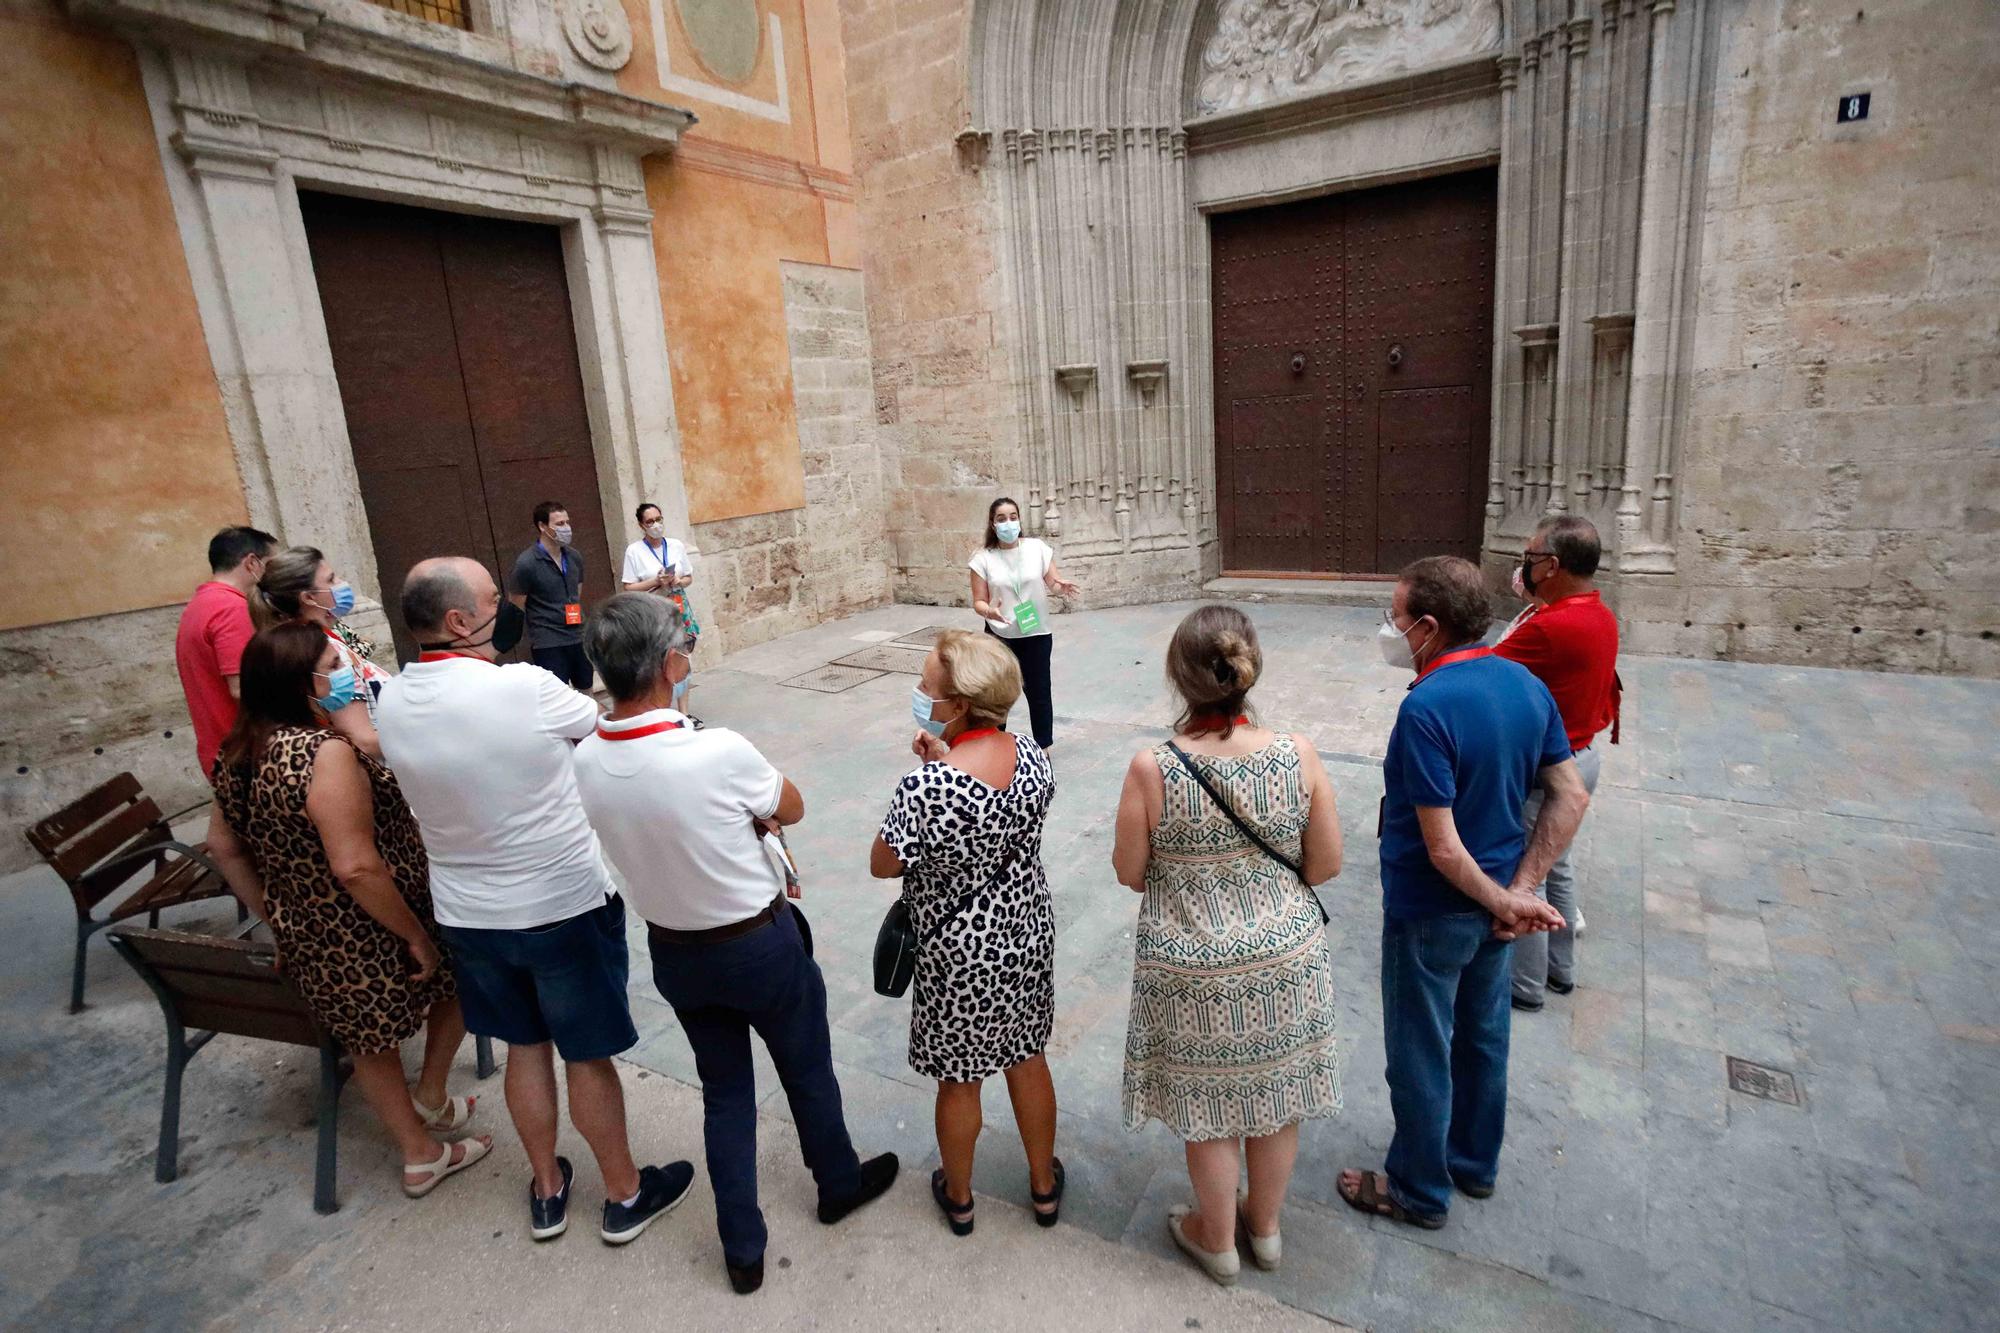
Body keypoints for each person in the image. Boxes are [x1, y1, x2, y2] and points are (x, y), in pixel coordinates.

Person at [573, 594, 898, 1294]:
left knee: (725, 1093)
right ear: (670, 663)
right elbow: (792, 804)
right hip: (755, 942)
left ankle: (743, 1247)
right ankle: (836, 1181)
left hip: (676, 950)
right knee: (805, 1065)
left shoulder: (588, 759)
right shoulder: (713, 749)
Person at [376, 558, 692, 1247]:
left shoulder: (391, 699)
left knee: (525, 1044)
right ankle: (623, 1192)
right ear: (460, 621)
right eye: (493, 599)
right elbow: (609, 725)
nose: (505, 607)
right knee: (585, 1054)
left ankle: (547, 1187)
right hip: (559, 903)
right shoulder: (523, 687)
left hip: (467, 911)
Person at [1337, 556, 1586, 1232]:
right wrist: (1519, 890)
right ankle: (1474, 1162)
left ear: (1426, 626)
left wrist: (1512, 899)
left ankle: (1418, 1188)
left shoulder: (1427, 708)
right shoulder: (1525, 684)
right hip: (1497, 902)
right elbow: (1571, 792)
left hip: (1433, 909)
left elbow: (1442, 846)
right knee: (1482, 1036)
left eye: (1395, 616)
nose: (1388, 628)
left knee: (1420, 1047)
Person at [202, 623, 491, 1198]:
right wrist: (414, 937)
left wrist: (277, 913)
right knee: (463, 981)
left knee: (368, 1042)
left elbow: (224, 847)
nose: (346, 673)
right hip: (369, 924)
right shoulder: (322, 753)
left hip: (312, 930)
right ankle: (423, 1147)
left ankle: (425, 1116)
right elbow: (355, 865)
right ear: (303, 683)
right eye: (334, 663)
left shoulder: (238, 749)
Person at [1111, 605, 1343, 1285]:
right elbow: (1326, 864)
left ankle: (1215, 1237)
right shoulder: (1296, 751)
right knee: (1276, 1097)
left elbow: (1129, 872)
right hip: (1286, 956)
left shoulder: (1153, 767)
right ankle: (1264, 1230)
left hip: (1191, 964)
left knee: (1209, 1105)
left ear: (1179, 677)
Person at [868, 629, 1060, 1240]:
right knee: (1027, 1056)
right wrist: (942, 763)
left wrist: (932, 774)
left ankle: (959, 1197)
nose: (921, 694)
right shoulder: (1033, 757)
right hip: (1025, 928)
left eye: (928, 687)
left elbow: (884, 862)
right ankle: (1044, 1186)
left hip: (959, 950)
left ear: (957, 706)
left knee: (961, 1076)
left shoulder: (927, 788)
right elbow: (994, 818)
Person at [1494, 516, 1621, 1012]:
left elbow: (1489, 666)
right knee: (1558, 864)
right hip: (1585, 755)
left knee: (1529, 870)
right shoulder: (1599, 615)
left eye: (1529, 559)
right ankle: (1560, 970)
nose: (1523, 568)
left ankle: (1524, 987)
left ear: (1552, 565)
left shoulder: (1552, 626)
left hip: (1550, 769)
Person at [252, 546, 386, 757]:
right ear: (308, 598)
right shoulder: (326, 655)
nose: (341, 583)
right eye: (331, 579)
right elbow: (363, 740)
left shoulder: (316, 642)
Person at [968, 496, 1078, 749]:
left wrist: (1061, 587)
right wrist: (989, 612)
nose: (1008, 523)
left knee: (1039, 693)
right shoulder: (982, 558)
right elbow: (979, 601)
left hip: (1036, 633)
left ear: (1019, 519)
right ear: (992, 524)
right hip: (999, 635)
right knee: (998, 693)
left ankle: (1044, 748)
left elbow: (1053, 582)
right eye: (1002, 518)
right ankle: (996, 746)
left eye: (1013, 517)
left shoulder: (1036, 548)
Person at [174, 525, 276, 783]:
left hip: (223, 751)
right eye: (272, 565)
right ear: (252, 563)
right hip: (248, 756)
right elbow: (242, 687)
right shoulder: (232, 608)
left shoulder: (200, 604)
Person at [509, 500, 593, 691]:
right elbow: (516, 605)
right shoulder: (526, 563)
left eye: (567, 522)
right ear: (542, 526)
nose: (566, 528)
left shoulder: (574, 557)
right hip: (549, 641)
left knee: (586, 690)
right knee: (557, 695)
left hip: (578, 636)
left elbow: (576, 592)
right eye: (560, 524)